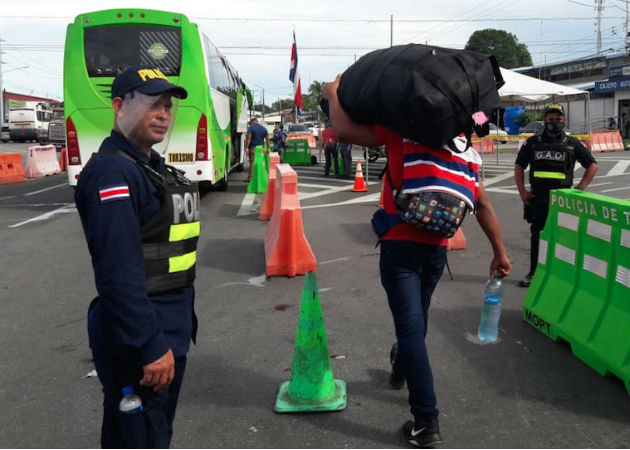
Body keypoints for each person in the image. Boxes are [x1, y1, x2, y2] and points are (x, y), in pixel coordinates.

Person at [322, 75, 512, 448]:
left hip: (400, 249)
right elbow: (484, 206)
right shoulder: (466, 153)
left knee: (412, 331)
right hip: (436, 252)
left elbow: (343, 130)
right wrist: (500, 255)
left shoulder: (399, 134)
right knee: (416, 322)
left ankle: (426, 422)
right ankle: (400, 363)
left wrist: (331, 93)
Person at [75, 65, 198, 448]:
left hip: (166, 328)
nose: (163, 113)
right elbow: (119, 272)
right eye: (151, 104)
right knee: (140, 437)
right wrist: (149, 345)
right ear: (118, 106)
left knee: (154, 431)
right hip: (141, 338)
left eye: (167, 105)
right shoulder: (114, 173)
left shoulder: (148, 167)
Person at [514, 103, 598, 287]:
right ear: (545, 121)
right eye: (551, 119)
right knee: (538, 236)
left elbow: (592, 165)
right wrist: (522, 192)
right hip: (539, 198)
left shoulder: (572, 143)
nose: (554, 123)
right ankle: (534, 273)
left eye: (558, 120)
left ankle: (561, 276)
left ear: (564, 121)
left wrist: (579, 189)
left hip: (563, 200)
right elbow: (519, 165)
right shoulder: (533, 142)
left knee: (564, 239)